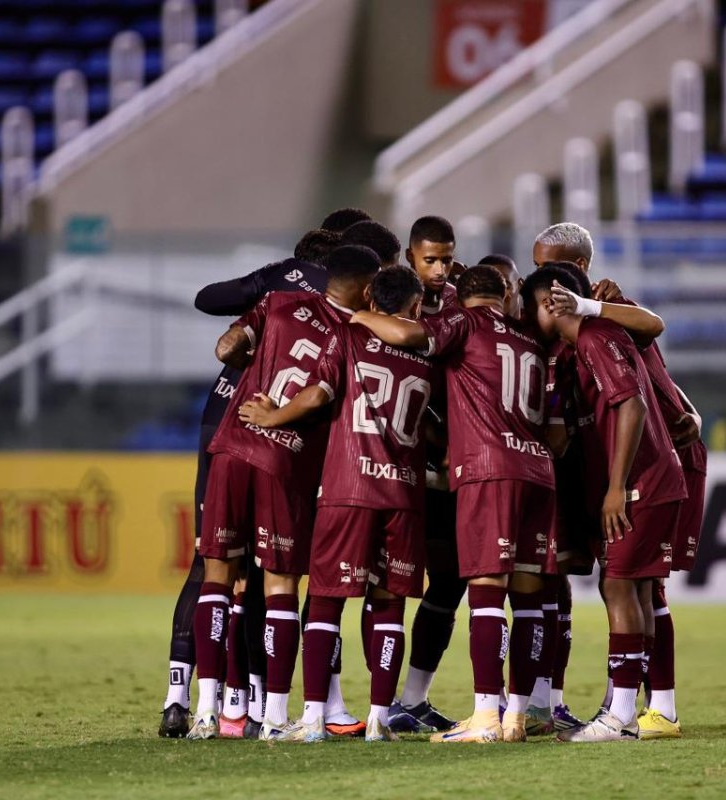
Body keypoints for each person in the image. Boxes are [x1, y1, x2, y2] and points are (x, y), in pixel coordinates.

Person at [353, 265, 559, 744]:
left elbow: (409, 333)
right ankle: (516, 717)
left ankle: (486, 716)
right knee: (528, 599)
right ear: (506, 293)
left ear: (462, 300)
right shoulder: (530, 340)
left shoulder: (465, 323)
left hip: (490, 468)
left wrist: (360, 315)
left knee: (486, 590)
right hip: (538, 471)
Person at [187, 245, 382, 739]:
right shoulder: (356, 334)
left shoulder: (277, 302)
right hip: (286, 461)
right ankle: (274, 716)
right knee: (279, 588)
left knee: (217, 576)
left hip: (231, 447)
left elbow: (226, 348)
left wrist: (257, 362)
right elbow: (320, 394)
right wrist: (279, 416)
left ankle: (206, 713)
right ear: (364, 289)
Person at [238, 266, 434, 742]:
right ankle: (380, 721)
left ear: (370, 297)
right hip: (404, 492)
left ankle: (310, 721)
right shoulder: (430, 354)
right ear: (413, 307)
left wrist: (273, 415)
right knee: (389, 608)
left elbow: (319, 392)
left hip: (349, 489)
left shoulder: (347, 335)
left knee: (325, 605)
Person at [157, 229, 338, 739]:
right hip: (280, 436)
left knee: (213, 563)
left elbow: (209, 302)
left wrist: (265, 281)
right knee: (273, 574)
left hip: (224, 424)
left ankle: (190, 701)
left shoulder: (276, 290)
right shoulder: (348, 315)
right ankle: (257, 704)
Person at [520, 266, 686, 742]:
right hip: (650, 479)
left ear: (553, 302)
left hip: (641, 482)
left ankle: (620, 715)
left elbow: (630, 405)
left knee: (619, 589)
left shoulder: (593, 337)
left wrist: (616, 487)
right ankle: (630, 712)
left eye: (533, 306)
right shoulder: (599, 336)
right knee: (629, 591)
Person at [387, 218, 464, 733]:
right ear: (410, 258)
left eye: (446, 259)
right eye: (429, 260)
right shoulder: (387, 303)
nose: (439, 270)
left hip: (446, 471)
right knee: (382, 584)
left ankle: (413, 699)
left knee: (451, 579)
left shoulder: (461, 307)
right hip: (392, 466)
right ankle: (360, 704)